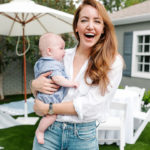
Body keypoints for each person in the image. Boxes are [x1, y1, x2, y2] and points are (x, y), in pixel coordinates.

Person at [32, 0, 123, 149]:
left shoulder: (112, 62)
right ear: (76, 27)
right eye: (84, 20)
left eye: (97, 21)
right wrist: (34, 85)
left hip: (83, 136)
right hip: (50, 131)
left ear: (103, 29)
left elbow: (92, 106)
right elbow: (44, 84)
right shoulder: (61, 56)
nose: (90, 26)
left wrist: (49, 108)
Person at [34, 33, 78, 144]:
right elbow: (57, 79)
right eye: (61, 48)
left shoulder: (40, 63)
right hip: (49, 98)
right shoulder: (53, 64)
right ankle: (40, 131)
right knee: (51, 117)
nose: (64, 51)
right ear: (49, 51)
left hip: (42, 96)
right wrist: (70, 83)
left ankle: (40, 130)